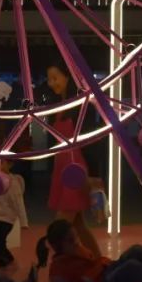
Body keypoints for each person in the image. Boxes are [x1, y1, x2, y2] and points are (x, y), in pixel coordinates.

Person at [45, 63, 101, 257]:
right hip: (63, 168)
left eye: (55, 77)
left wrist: (93, 174)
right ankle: (98, 261)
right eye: (49, 79)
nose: (52, 83)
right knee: (78, 225)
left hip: (76, 170)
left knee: (59, 228)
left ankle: (59, 266)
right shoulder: (60, 105)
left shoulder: (80, 104)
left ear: (67, 77)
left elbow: (91, 141)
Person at [0, 158, 28, 272]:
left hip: (6, 219)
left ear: (10, 165)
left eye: (2, 162)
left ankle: (12, 263)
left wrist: (24, 222)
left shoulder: (12, 182)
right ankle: (3, 267)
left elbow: (19, 202)